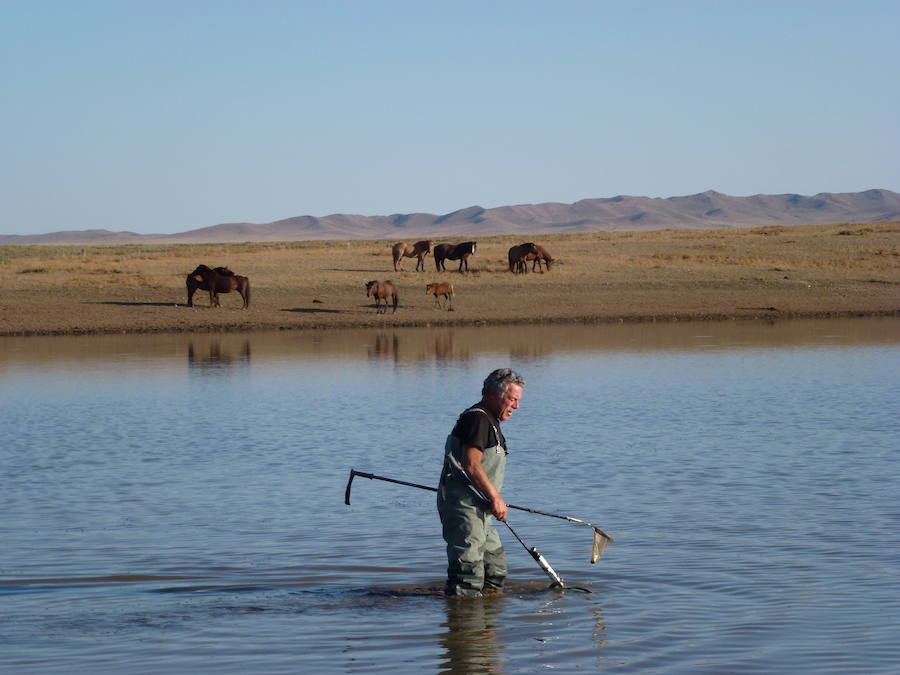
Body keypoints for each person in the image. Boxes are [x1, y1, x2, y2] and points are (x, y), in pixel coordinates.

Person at [437, 368, 525, 598]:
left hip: (483, 510)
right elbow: (472, 465)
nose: (516, 406)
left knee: (495, 571)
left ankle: (487, 626)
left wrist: (493, 500)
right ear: (495, 394)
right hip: (465, 507)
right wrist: (496, 498)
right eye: (512, 399)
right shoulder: (477, 418)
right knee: (468, 574)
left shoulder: (490, 421)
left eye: (518, 400)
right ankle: (464, 626)